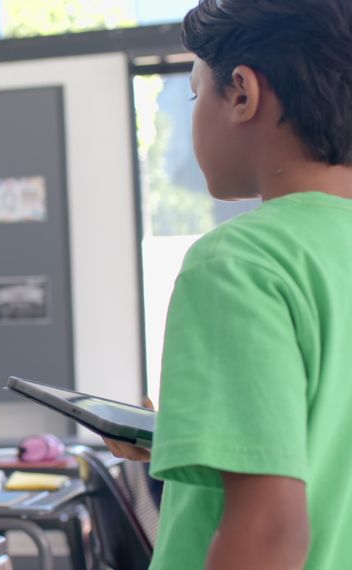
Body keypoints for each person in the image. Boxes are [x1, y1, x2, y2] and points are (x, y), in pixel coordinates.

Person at [104, 1, 352, 568]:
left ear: (241, 93)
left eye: (195, 94)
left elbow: (269, 529)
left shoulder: (237, 262)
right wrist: (192, 431)